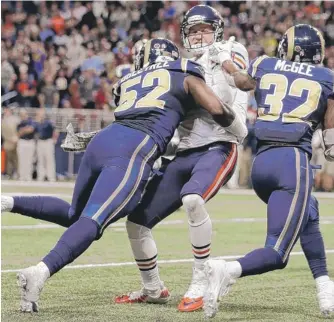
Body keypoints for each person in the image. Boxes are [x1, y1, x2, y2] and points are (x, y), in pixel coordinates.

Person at [12, 38, 245, 313]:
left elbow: (138, 117)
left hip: (104, 140)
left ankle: (8, 201)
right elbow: (215, 109)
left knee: (76, 214)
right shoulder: (183, 70)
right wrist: (239, 130)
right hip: (133, 148)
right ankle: (40, 271)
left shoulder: (127, 80)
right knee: (94, 221)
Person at [115, 5, 249, 311]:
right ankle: (152, 289)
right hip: (185, 150)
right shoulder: (181, 65)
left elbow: (233, 92)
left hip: (219, 144)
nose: (199, 36)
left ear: (216, 30)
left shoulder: (230, 49)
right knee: (136, 220)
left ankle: (201, 280)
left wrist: (217, 64)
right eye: (193, 31)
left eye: (204, 29)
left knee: (193, 199)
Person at [202, 24, 334, 318]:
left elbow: (238, 80)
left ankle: (325, 287)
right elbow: (330, 139)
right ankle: (227, 269)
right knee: (277, 253)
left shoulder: (265, 64)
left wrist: (224, 59)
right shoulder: (326, 77)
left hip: (262, 165)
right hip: (292, 164)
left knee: (309, 213)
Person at [35, 109, 57, 182]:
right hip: (40, 142)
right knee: (40, 160)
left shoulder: (48, 123)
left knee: (49, 160)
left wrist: (54, 139)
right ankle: (40, 176)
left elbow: (55, 130)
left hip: (48, 141)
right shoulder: (37, 123)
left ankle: (51, 177)